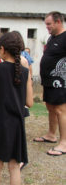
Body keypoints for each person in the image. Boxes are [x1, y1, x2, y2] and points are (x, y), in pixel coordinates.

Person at [0, 32, 33, 185]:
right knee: (14, 166)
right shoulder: (25, 72)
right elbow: (29, 102)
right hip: (17, 123)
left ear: (2, 49)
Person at [34, 11, 66, 156]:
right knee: (50, 108)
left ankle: (64, 143)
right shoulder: (53, 37)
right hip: (48, 81)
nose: (47, 27)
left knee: (60, 110)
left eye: (49, 24)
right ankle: (51, 135)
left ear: (58, 22)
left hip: (60, 81)